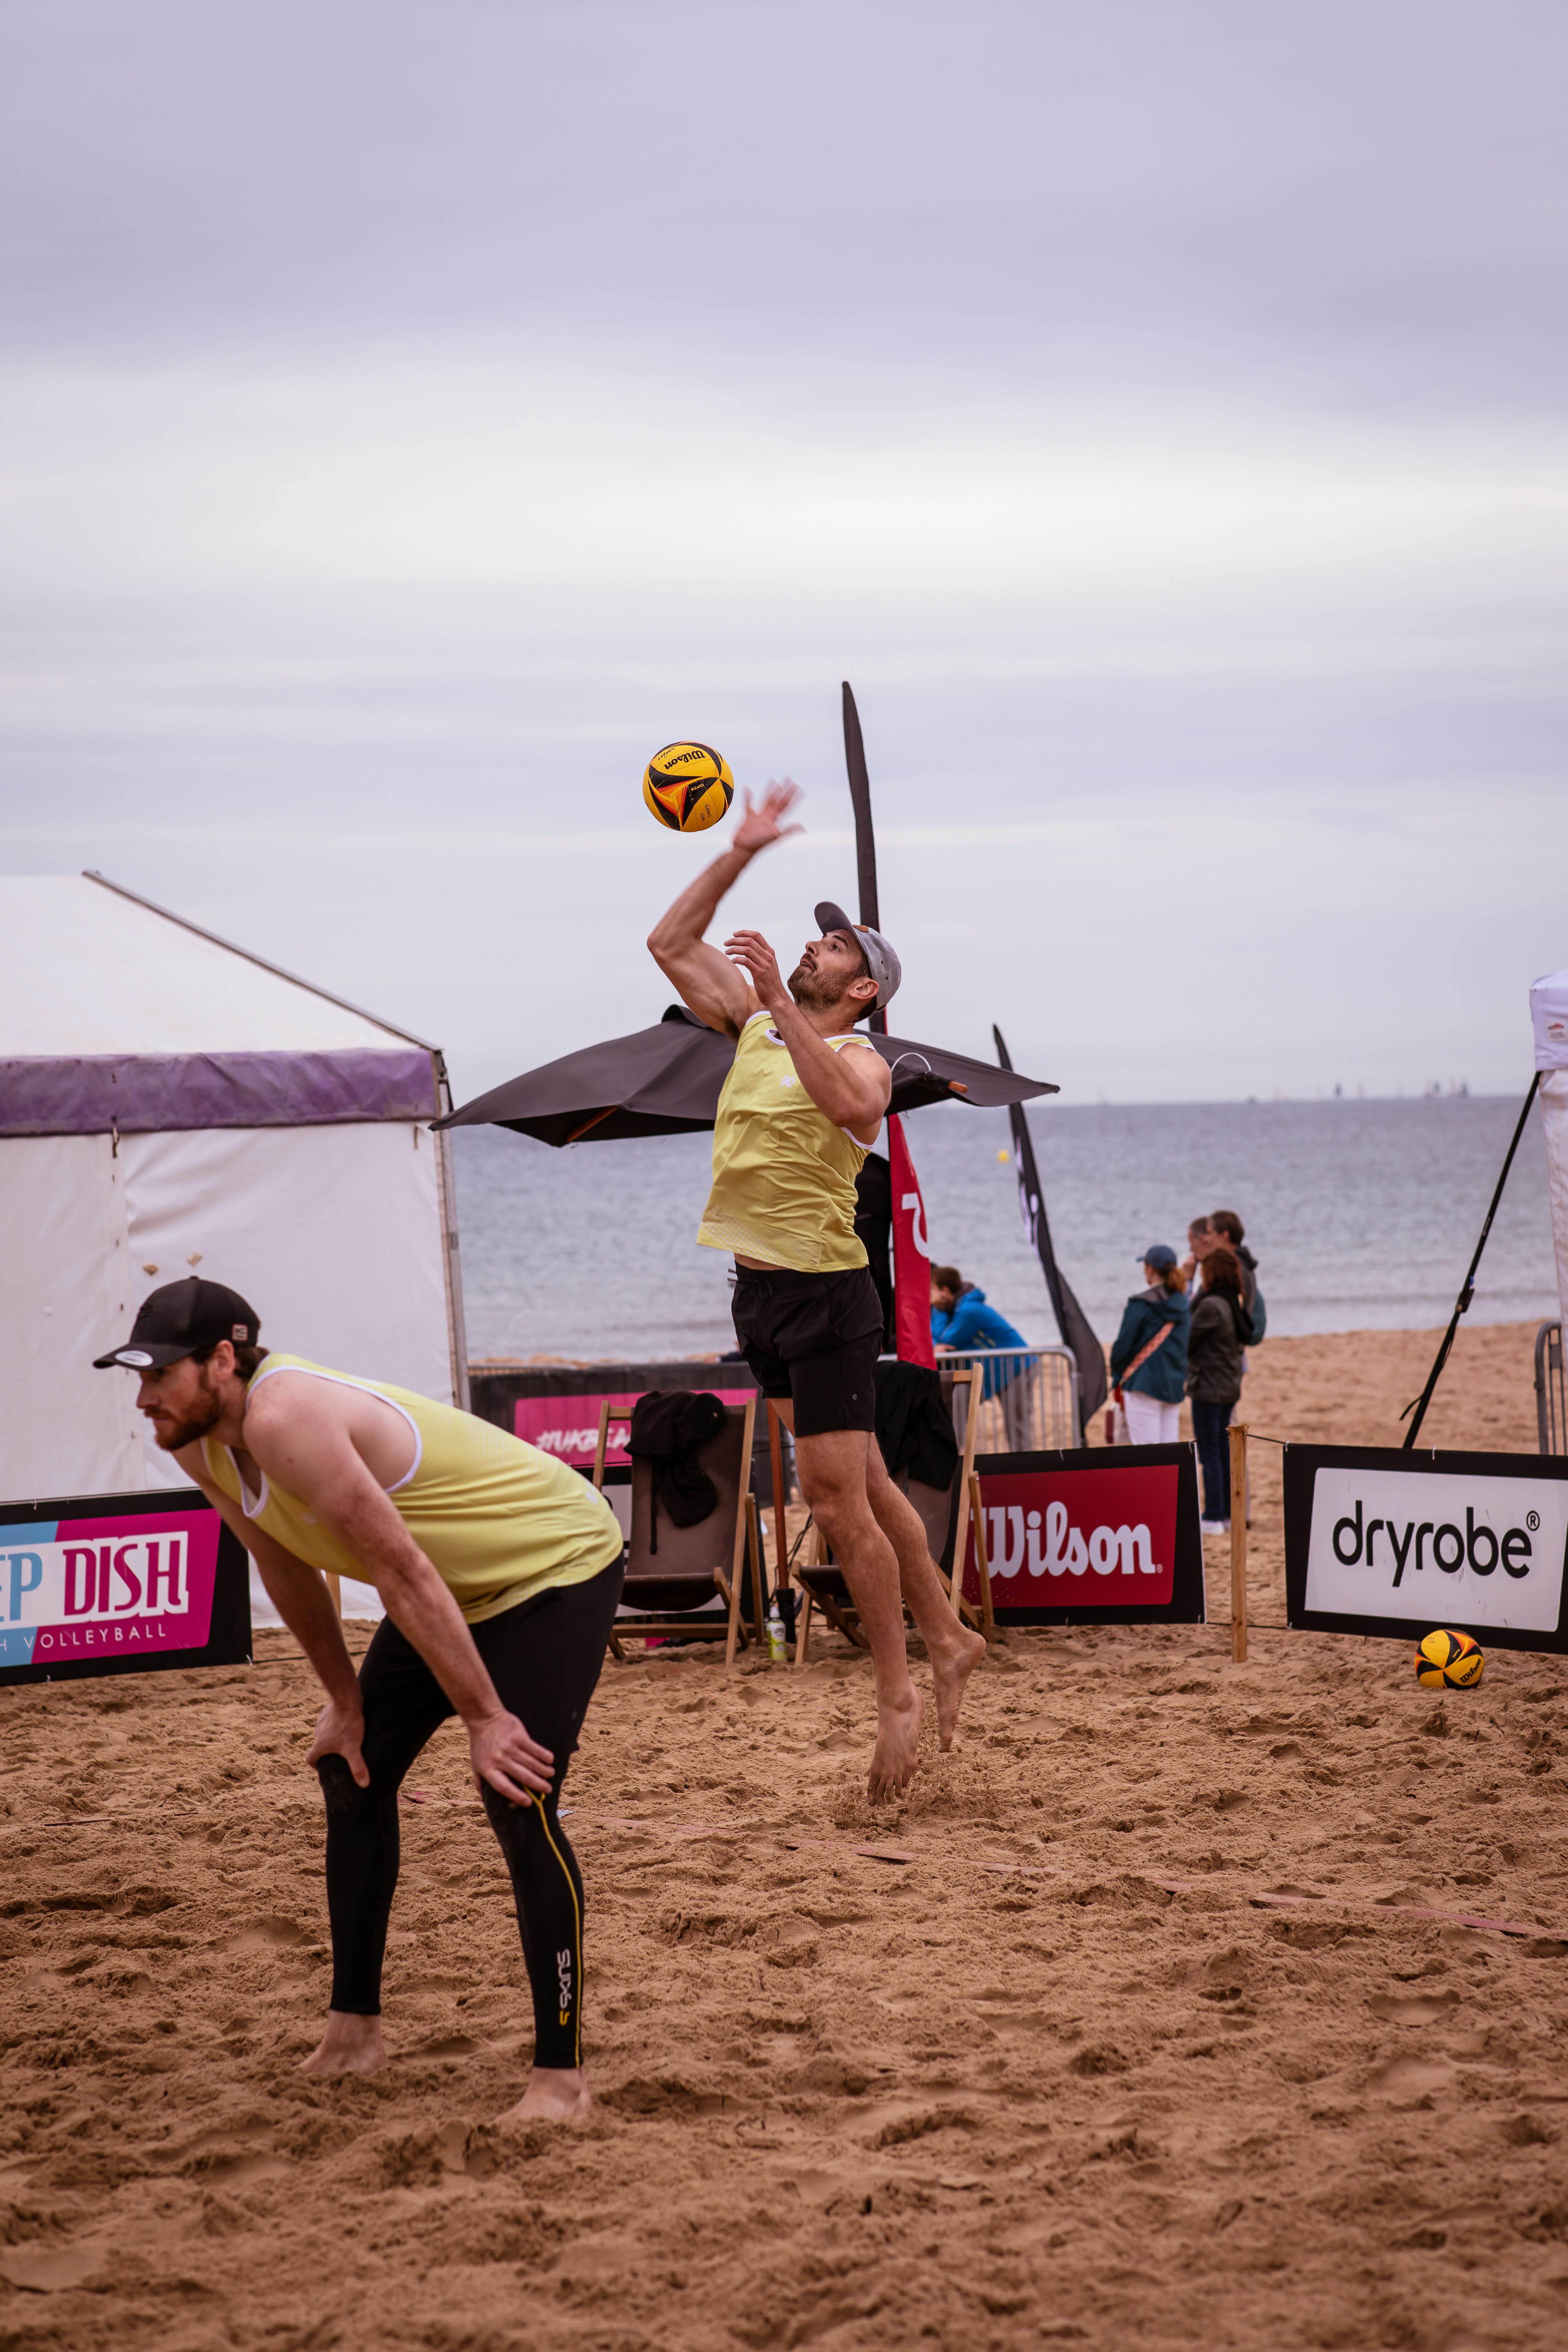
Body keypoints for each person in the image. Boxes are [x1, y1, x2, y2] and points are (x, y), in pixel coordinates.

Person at [93, 1275, 625, 2120]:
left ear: (222, 1362)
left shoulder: (285, 1418)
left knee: (516, 1791)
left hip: (551, 1565)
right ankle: (354, 2035)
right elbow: (283, 1565)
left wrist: (486, 1721)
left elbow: (400, 1571)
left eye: (160, 1374)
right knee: (355, 1770)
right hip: (451, 1591)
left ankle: (561, 2076)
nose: (145, 1398)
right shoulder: (199, 1443)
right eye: (138, 1377)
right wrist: (344, 1700)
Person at [647, 777, 985, 1800]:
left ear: (863, 988)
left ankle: (897, 1693)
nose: (818, 944)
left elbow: (848, 1110)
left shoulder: (857, 1053)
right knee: (868, 1480)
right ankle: (946, 1634)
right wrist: (740, 848)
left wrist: (782, 1003)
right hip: (756, 1294)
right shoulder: (753, 1023)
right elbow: (668, 941)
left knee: (835, 1500)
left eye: (837, 947)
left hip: (831, 1297)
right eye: (821, 936)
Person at [929, 1265, 1034, 1449]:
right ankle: (954, 1462)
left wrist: (938, 1311)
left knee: (1017, 1427)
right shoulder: (958, 1309)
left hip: (1017, 1365)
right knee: (957, 1412)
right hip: (995, 1368)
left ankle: (1026, 1472)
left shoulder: (969, 1311)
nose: (929, 1298)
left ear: (945, 1291)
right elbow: (939, 1342)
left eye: (931, 1291)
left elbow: (946, 1340)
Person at [1186, 1242, 1249, 1529]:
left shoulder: (1212, 1305)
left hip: (1211, 1387)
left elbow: (1187, 1334)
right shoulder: (1230, 1301)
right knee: (1222, 1450)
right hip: (1226, 1385)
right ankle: (1224, 1511)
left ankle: (1213, 1514)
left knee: (1211, 1451)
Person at [1107, 1245, 1190, 1444]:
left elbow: (1123, 1348)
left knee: (1148, 1452)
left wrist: (1118, 1375)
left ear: (1150, 1269)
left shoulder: (1141, 1304)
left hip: (1143, 1383)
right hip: (1173, 1384)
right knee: (1170, 1447)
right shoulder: (1184, 1304)